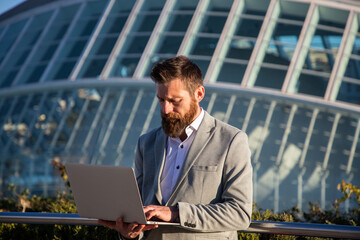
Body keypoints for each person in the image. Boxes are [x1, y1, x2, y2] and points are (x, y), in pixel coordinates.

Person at [99, 56, 252, 240]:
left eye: (175, 101)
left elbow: (240, 213)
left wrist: (176, 213)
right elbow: (139, 212)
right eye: (161, 100)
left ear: (199, 94)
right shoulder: (145, 143)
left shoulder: (231, 141)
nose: (165, 109)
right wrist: (129, 233)